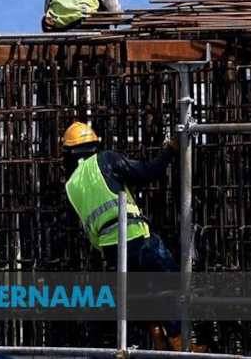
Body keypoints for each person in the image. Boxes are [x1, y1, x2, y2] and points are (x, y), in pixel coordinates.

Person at [61, 121, 204, 352]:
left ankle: (157, 333)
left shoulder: (70, 185)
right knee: (169, 283)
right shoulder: (105, 160)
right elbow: (147, 172)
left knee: (141, 292)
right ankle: (180, 340)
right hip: (136, 237)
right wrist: (170, 150)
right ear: (93, 145)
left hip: (110, 250)